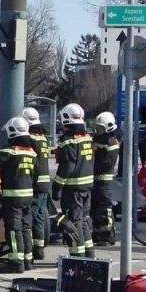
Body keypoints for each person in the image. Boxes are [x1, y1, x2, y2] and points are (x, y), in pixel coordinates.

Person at [0, 117, 37, 271]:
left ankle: (16, 263)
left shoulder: (9, 152)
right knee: (26, 228)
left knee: (14, 230)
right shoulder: (32, 153)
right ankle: (28, 260)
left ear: (12, 132)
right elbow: (35, 176)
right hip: (28, 197)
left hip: (13, 198)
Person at [52, 103, 96, 258]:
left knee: (73, 222)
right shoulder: (87, 138)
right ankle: (89, 253)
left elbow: (67, 167)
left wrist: (57, 187)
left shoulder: (68, 141)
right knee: (84, 220)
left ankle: (77, 257)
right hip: (87, 187)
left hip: (73, 189)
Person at [23, 106, 52, 263]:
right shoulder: (42, 138)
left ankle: (28, 252)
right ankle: (39, 249)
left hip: (35, 183)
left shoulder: (30, 139)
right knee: (40, 216)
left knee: (30, 217)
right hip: (45, 182)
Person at [91, 111, 122, 246]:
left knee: (104, 208)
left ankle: (107, 235)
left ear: (108, 128)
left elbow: (104, 163)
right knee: (95, 208)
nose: (97, 131)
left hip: (103, 181)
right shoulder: (101, 141)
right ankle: (97, 233)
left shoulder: (110, 142)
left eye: (100, 128)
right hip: (96, 181)